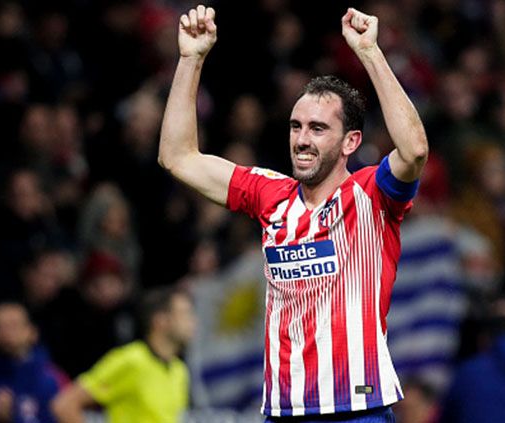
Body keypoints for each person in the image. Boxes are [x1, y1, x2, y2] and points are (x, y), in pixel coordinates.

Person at [158, 5, 428, 422]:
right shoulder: (271, 195)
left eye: (318, 129)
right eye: (295, 126)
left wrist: (370, 52)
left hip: (356, 408)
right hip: (284, 411)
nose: (302, 139)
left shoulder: (372, 195)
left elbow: (414, 150)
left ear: (350, 142)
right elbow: (178, 157)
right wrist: (190, 59)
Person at [51, 287, 196, 423]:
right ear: (160, 320)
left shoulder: (179, 370)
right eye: (184, 313)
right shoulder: (131, 360)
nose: (192, 321)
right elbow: (64, 405)